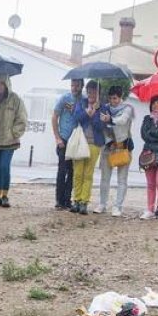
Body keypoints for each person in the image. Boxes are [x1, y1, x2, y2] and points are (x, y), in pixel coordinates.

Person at [0, 75, 27, 207]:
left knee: (5, 166)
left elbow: (22, 118)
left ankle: (5, 195)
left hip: (9, 140)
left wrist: (14, 133)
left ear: (6, 84)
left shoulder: (15, 99)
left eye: (1, 83)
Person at [96, 85, 135, 217]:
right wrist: (109, 141)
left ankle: (118, 206)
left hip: (123, 147)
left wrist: (110, 119)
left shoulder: (128, 108)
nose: (114, 101)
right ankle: (102, 203)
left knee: (122, 179)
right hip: (109, 147)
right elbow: (102, 127)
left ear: (121, 97)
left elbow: (122, 120)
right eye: (111, 98)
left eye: (116, 98)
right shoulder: (104, 108)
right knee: (104, 178)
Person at [70, 80, 104, 215]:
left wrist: (94, 113)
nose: (90, 94)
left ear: (98, 93)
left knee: (88, 174)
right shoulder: (81, 103)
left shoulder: (103, 108)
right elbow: (76, 118)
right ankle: (76, 200)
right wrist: (86, 113)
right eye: (89, 91)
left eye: (94, 91)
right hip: (80, 143)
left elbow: (101, 127)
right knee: (78, 173)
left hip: (94, 144)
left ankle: (84, 202)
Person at [51, 79, 83, 210]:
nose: (74, 88)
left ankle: (67, 199)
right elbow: (54, 117)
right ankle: (59, 200)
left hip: (76, 141)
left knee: (72, 171)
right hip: (63, 139)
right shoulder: (64, 98)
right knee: (62, 170)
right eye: (72, 85)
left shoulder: (84, 99)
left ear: (82, 86)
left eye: (77, 86)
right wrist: (57, 138)